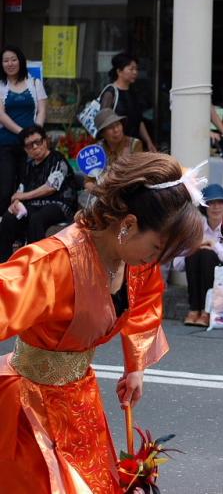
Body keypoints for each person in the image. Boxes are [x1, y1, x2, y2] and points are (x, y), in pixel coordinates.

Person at [0, 152, 204, 493]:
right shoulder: (55, 263)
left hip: (81, 400)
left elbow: (144, 304)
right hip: (29, 409)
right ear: (128, 224)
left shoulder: (134, 259)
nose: (156, 261)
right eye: (156, 249)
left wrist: (135, 365)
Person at [0, 125, 77, 262]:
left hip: (59, 205)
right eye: (30, 145)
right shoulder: (28, 165)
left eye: (38, 142)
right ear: (25, 150)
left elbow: (50, 187)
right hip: (34, 206)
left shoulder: (57, 159)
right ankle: (4, 263)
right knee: (8, 218)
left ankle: (37, 263)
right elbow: (21, 189)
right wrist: (16, 202)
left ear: (45, 141)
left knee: (37, 218)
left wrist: (22, 197)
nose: (35, 147)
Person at [173, 183, 223, 327]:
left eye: (220, 203)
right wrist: (193, 246)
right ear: (204, 207)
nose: (215, 207)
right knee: (195, 252)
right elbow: (178, 265)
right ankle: (194, 309)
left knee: (207, 254)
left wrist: (214, 245)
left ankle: (207, 311)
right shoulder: (196, 225)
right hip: (197, 269)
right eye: (210, 203)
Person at [0, 46, 47, 213]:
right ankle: (4, 225)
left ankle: (22, 231)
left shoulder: (35, 82)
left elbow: (42, 110)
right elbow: (1, 115)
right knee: (5, 189)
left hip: (30, 146)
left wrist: (36, 134)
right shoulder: (0, 85)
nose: (10, 63)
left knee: (26, 187)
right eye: (5, 60)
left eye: (13, 59)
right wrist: (22, 132)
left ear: (20, 61)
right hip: (5, 144)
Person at [100, 52, 156, 152]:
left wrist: (148, 141)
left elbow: (139, 121)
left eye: (136, 69)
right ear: (119, 71)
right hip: (115, 148)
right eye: (131, 69)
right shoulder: (110, 93)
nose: (135, 72)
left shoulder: (134, 93)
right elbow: (104, 123)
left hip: (133, 146)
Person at [84, 108, 144, 191]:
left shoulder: (134, 144)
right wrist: (96, 189)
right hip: (104, 195)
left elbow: (138, 174)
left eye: (118, 124)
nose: (116, 130)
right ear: (102, 133)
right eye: (110, 128)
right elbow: (88, 181)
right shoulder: (96, 150)